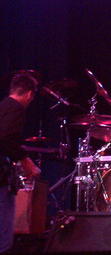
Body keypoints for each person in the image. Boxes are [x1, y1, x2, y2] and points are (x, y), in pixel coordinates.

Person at [0, 72, 41, 253]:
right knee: (4, 234)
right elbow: (6, 138)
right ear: (29, 94)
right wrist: (25, 161)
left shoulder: (3, 105)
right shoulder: (16, 108)